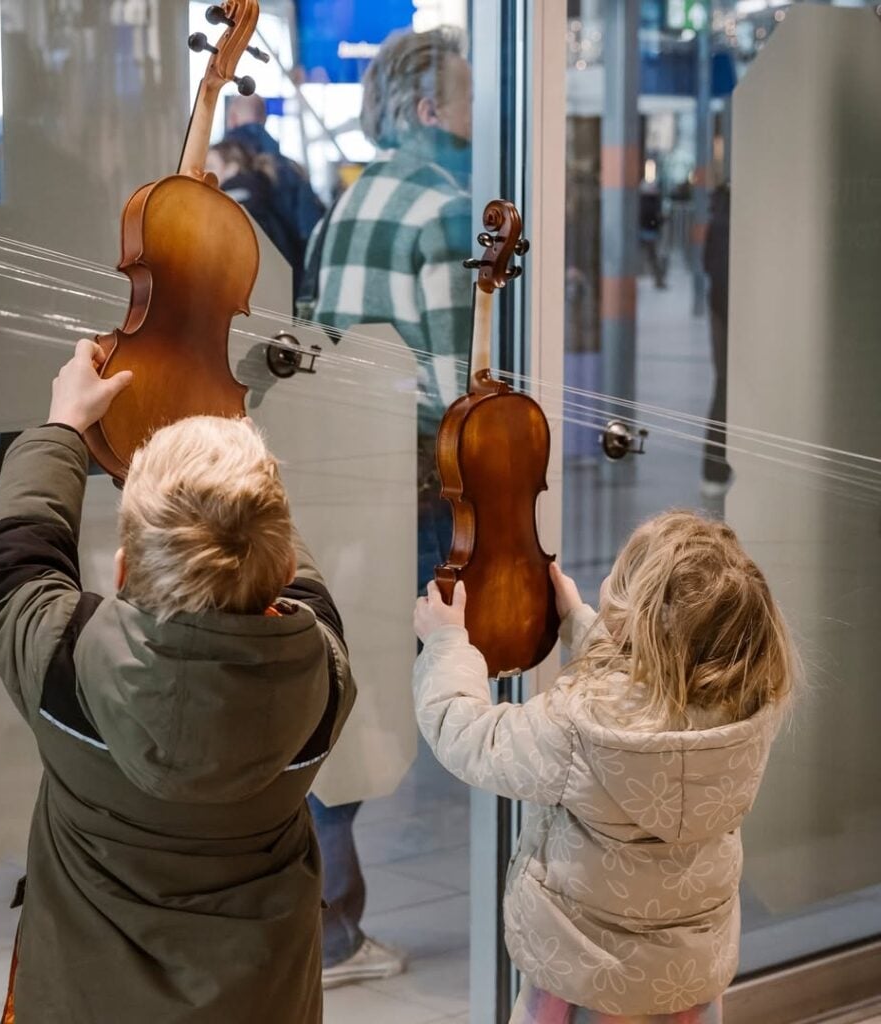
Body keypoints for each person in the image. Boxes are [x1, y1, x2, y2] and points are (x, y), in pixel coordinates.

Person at [0, 340, 355, 1023]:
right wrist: (226, 484)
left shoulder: (64, 663)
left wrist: (64, 425)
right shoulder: (323, 679)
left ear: (121, 572)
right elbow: (296, 576)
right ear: (280, 568)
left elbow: (19, 556)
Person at [413, 510, 795, 1023]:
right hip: (688, 984)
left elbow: (469, 736)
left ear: (634, 621)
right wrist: (576, 621)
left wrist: (445, 644)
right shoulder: (747, 712)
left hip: (585, 984)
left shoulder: (580, 728)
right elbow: (660, 692)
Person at [303, 26, 474, 988]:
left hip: (340, 471)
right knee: (386, 696)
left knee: (341, 683)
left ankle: (323, 918)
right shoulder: (446, 209)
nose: (479, 113)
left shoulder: (346, 205)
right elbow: (459, 388)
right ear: (426, 110)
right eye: (468, 95)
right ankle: (329, 924)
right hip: (412, 483)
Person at [224, 93, 325, 255]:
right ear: (264, 118)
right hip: (287, 273)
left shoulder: (219, 167)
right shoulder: (293, 170)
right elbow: (310, 231)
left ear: (233, 118)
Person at [206, 139, 306, 289]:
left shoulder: (234, 206)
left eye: (210, 167)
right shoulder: (259, 198)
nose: (203, 173)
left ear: (232, 168)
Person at [701, 183, 733, 497]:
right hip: (729, 315)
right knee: (727, 387)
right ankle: (714, 467)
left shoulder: (720, 215)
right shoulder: (734, 219)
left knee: (724, 386)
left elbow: (707, 263)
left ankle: (714, 468)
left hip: (720, 310)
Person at [639, 182, 667, 289]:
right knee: (653, 258)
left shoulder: (642, 202)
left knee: (651, 258)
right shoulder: (652, 204)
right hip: (650, 233)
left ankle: (656, 279)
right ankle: (658, 280)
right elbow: (654, 219)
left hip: (645, 233)